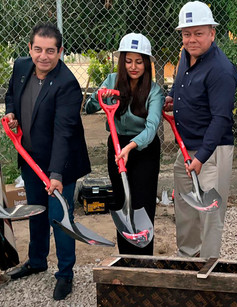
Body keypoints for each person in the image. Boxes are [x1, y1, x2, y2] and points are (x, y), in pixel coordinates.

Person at [4, 22, 91, 300]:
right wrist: (11, 114)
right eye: (38, 49)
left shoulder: (67, 85)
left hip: (61, 164)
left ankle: (65, 274)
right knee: (36, 211)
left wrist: (56, 174)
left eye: (50, 51)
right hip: (30, 158)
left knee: (60, 218)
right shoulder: (20, 67)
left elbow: (64, 134)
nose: (43, 56)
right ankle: (37, 260)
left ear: (60, 51)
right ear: (30, 48)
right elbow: (10, 96)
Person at [164, 1, 237, 259]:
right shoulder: (186, 54)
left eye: (198, 33)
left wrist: (201, 157)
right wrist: (173, 96)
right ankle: (188, 256)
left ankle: (207, 265)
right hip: (187, 148)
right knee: (185, 206)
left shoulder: (221, 70)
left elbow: (220, 119)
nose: (191, 39)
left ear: (212, 33)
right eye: (186, 33)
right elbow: (181, 83)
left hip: (212, 151)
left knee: (210, 213)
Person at [85, 33, 164, 255]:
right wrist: (97, 97)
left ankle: (144, 259)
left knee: (143, 202)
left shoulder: (154, 90)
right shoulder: (111, 81)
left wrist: (130, 147)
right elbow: (89, 108)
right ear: (122, 61)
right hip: (117, 145)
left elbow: (151, 128)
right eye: (128, 61)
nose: (133, 66)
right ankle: (126, 257)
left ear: (147, 63)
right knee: (122, 200)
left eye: (139, 61)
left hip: (144, 149)